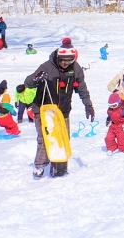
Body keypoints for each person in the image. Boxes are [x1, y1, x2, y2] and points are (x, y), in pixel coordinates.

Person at [23, 39, 95, 178]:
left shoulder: (76, 68)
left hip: (63, 110)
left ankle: (59, 168)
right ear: (58, 57)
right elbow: (28, 82)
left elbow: (82, 88)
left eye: (68, 61)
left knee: (63, 138)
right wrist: (36, 79)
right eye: (62, 60)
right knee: (45, 138)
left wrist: (88, 105)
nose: (65, 63)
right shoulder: (47, 66)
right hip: (44, 109)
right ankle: (40, 165)